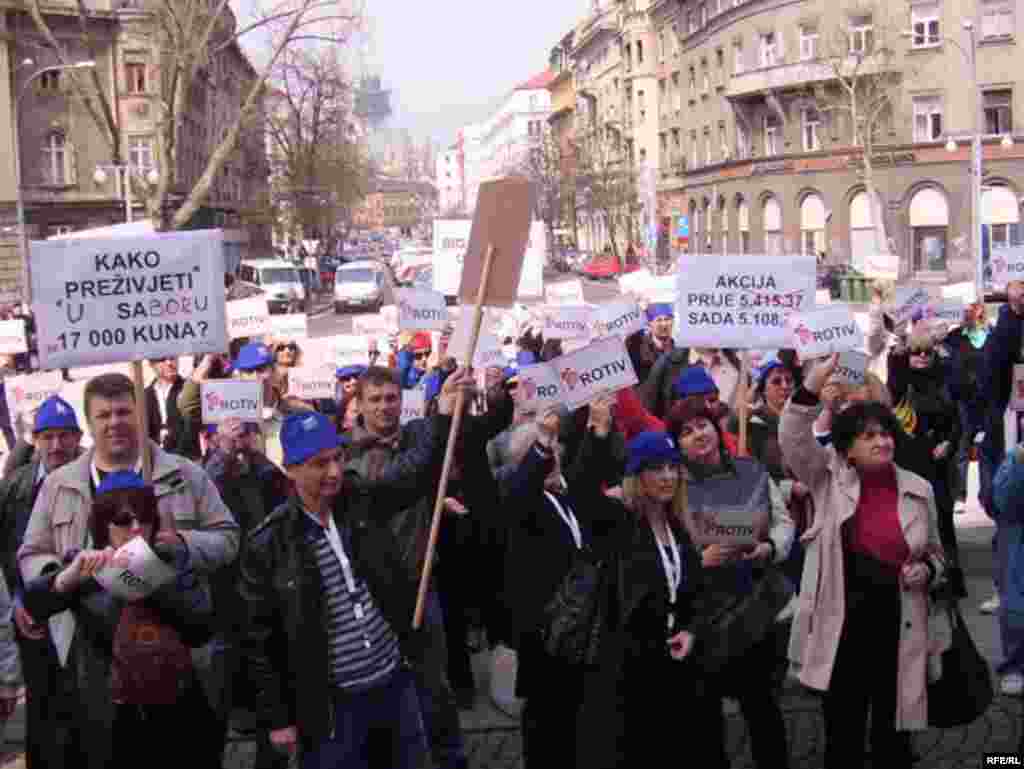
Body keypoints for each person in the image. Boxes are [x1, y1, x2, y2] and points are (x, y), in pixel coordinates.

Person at [240, 371, 474, 768]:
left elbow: (413, 477)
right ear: (292, 470)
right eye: (318, 464)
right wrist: (278, 718)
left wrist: (444, 413)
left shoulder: (357, 500)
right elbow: (260, 640)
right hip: (333, 704)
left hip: (392, 681)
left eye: (336, 459)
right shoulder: (270, 544)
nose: (332, 473)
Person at [19, 372, 239, 767]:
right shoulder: (58, 485)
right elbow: (31, 553)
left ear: (140, 414)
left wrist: (184, 545)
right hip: (96, 671)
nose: (115, 422)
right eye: (104, 415)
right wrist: (64, 577)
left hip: (181, 666)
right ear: (89, 422)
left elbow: (228, 538)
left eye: (123, 411)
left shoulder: (184, 474)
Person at [780, 354, 947, 769]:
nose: (881, 442)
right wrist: (810, 389)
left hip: (900, 618)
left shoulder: (918, 489)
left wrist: (927, 570)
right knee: (844, 731)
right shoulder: (826, 479)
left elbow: (940, 557)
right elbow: (793, 437)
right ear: (847, 449)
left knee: (894, 733)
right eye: (868, 436)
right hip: (844, 622)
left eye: (885, 434)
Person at [23, 470, 213, 769]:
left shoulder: (172, 559)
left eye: (145, 519)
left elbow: (201, 626)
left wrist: (148, 577)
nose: (136, 529)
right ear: (103, 525)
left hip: (175, 710)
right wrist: (66, 579)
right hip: (108, 714)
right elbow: (33, 605)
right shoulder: (88, 566)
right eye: (123, 521)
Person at [574, 430, 728, 769]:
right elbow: (583, 492)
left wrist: (691, 630)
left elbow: (696, 594)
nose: (667, 476)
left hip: (680, 671)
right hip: (632, 674)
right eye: (657, 468)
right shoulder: (621, 525)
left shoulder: (679, 528)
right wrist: (598, 435)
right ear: (638, 475)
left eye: (672, 467)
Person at [667, 399, 794, 769]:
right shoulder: (672, 485)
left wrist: (769, 547)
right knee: (705, 718)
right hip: (703, 617)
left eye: (702, 425)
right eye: (686, 432)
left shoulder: (751, 471)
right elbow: (665, 546)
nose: (698, 435)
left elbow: (783, 522)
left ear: (716, 427)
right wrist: (698, 561)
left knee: (763, 709)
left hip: (755, 607)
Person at [501, 396, 621, 769]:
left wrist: (599, 429)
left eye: (554, 453)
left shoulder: (563, 497)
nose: (553, 459)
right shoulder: (523, 504)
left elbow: (585, 475)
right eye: (543, 456)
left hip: (578, 630)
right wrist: (541, 440)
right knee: (546, 728)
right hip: (544, 634)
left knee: (576, 724)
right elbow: (522, 487)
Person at [0, 396, 81, 768]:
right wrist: (16, 601)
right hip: (28, 618)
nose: (57, 445)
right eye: (48, 436)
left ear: (78, 438)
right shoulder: (12, 488)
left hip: (77, 612)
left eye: (65, 436)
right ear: (35, 439)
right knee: (43, 710)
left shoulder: (91, 480)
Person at [887, 328, 963, 597]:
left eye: (926, 352)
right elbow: (894, 379)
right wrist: (899, 348)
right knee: (911, 519)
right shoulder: (900, 383)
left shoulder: (943, 380)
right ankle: (911, 574)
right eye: (915, 351)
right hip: (908, 459)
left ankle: (947, 577)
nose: (920, 356)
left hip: (937, 460)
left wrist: (950, 444)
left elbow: (956, 421)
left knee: (942, 518)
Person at [945, 301, 989, 514]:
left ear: (980, 311)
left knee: (987, 448)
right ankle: (960, 495)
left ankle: (987, 495)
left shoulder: (991, 336)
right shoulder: (954, 337)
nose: (968, 313)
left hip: (987, 402)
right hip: (961, 402)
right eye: (964, 310)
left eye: (972, 309)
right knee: (961, 449)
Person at [626, 303, 676, 385]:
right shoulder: (638, 346)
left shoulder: (678, 349)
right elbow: (631, 338)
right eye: (659, 320)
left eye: (667, 319)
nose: (664, 324)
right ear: (650, 324)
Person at [145, 356, 186, 454]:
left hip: (186, 458)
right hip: (156, 459)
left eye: (172, 358)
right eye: (162, 359)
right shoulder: (145, 395)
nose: (169, 363)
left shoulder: (188, 389)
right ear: (151, 364)